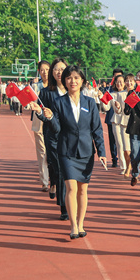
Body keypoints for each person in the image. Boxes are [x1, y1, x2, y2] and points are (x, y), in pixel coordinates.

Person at [33, 65, 107, 239]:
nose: (72, 81)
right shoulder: (59, 102)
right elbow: (56, 128)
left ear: (82, 81)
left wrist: (102, 152)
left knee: (83, 190)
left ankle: (81, 224)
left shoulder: (90, 103)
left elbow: (97, 129)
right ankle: (73, 225)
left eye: (76, 78)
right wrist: (48, 116)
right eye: (69, 78)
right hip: (66, 151)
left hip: (86, 152)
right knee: (71, 188)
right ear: (64, 81)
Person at [40, 58, 69, 221]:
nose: (59, 72)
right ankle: (64, 206)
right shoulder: (46, 92)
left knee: (68, 171)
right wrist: (41, 113)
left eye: (62, 69)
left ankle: (65, 200)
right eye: (56, 69)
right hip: (53, 137)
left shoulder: (73, 90)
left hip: (71, 137)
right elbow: (42, 116)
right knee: (59, 169)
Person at [30, 61, 50, 192]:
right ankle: (44, 181)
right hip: (39, 123)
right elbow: (30, 103)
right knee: (42, 153)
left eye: (47, 69)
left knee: (52, 153)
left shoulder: (56, 86)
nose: (45, 72)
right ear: (39, 72)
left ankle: (54, 179)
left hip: (52, 123)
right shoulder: (35, 87)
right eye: (42, 70)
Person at [110, 75, 131, 177]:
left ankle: (131, 166)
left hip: (129, 122)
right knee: (120, 144)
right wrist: (100, 97)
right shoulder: (114, 94)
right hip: (117, 121)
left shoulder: (131, 93)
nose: (119, 84)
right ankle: (124, 166)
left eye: (121, 81)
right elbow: (107, 108)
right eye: (117, 82)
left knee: (130, 147)